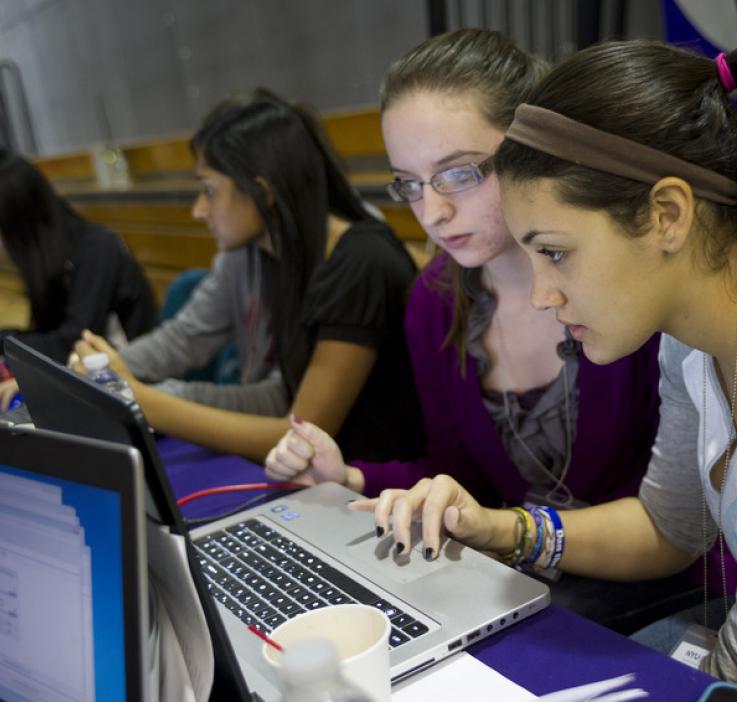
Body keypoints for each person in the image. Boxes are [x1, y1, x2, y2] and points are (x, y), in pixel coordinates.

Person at [346, 39, 737, 701]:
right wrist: (500, 528)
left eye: (555, 253)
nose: (540, 294)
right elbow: (668, 528)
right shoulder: (692, 338)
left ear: (668, 215)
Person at [264, 30, 691, 631]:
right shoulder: (435, 301)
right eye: (410, 184)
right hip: (533, 578)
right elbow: (460, 470)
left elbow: (682, 521)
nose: (432, 213)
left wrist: (510, 533)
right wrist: (351, 478)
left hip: (662, 589)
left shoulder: (624, 278)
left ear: (532, 150)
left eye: (458, 174)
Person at [75, 89, 424, 463]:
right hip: (325, 478)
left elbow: (302, 437)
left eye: (209, 191)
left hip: (373, 486)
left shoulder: (361, 261)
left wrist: (140, 400)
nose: (198, 210)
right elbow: (188, 338)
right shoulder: (270, 254)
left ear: (262, 192)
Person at [0, 150, 157, 410]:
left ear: (19, 223)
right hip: (83, 380)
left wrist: (7, 345)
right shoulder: (46, 255)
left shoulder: (96, 248)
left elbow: (75, 340)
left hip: (128, 390)